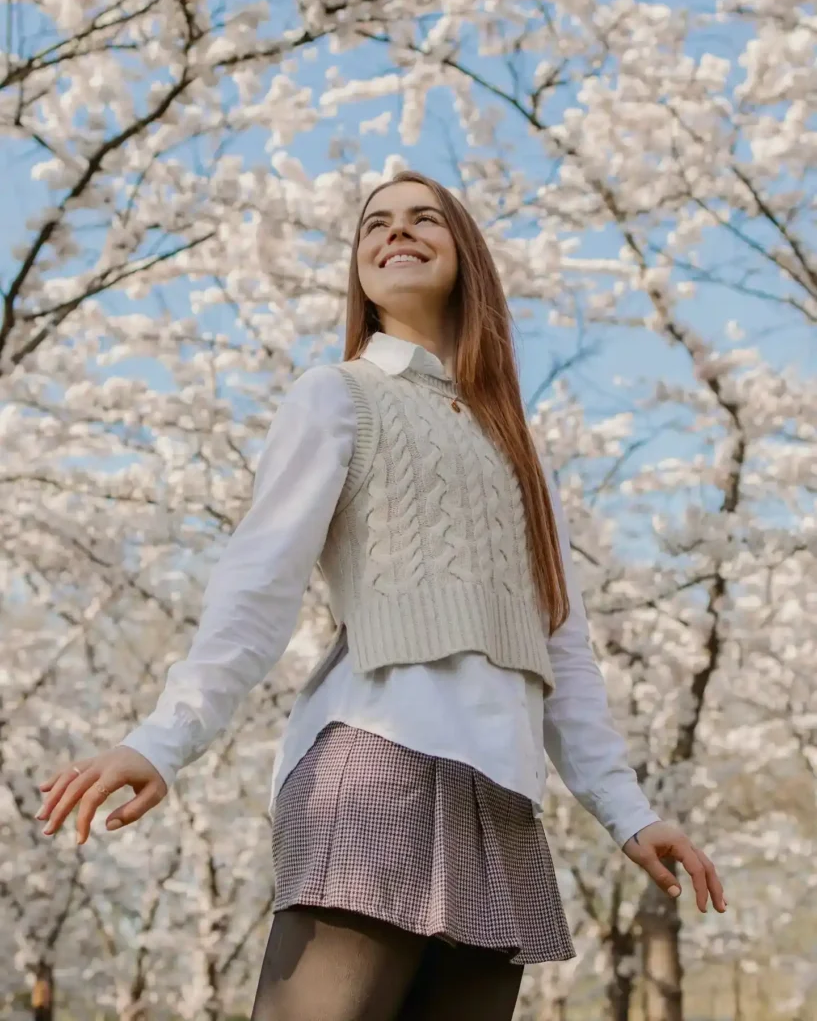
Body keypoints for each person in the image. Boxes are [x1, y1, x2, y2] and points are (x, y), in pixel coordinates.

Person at [38, 170, 727, 1020]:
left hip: (503, 801)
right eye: (375, 225)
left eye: (423, 218)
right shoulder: (338, 397)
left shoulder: (516, 445)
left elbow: (562, 649)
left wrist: (629, 814)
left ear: (463, 253)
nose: (395, 232)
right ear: (358, 267)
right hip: (375, 765)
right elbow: (257, 588)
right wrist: (162, 741)